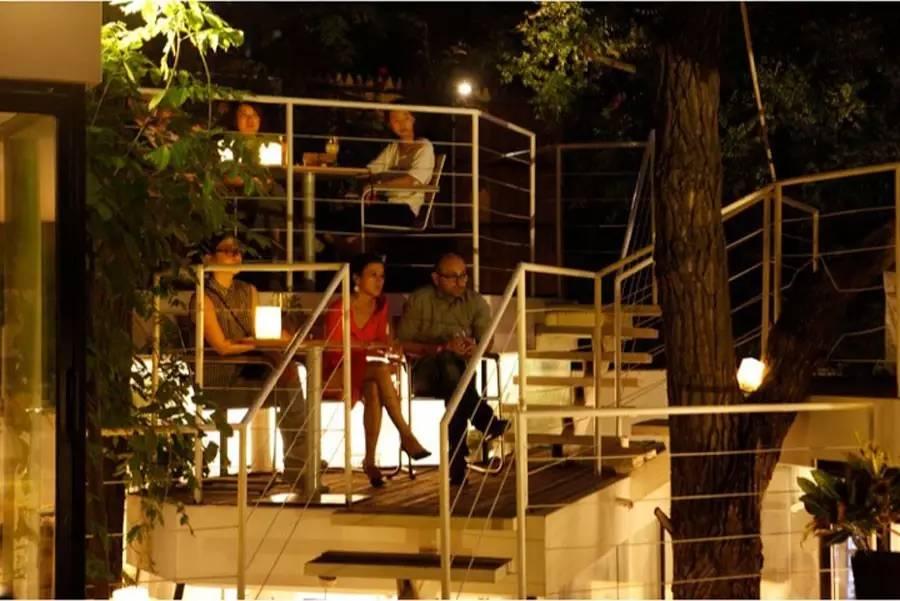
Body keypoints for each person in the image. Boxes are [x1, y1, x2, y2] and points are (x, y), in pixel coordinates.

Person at [189, 232, 307, 488]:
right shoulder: (203, 297)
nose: (236, 256)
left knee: (289, 375)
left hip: (251, 367)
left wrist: (273, 338)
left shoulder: (248, 291)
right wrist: (256, 343)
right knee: (288, 379)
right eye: (228, 251)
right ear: (208, 258)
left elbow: (258, 331)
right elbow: (221, 347)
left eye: (238, 251)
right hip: (219, 375)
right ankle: (300, 464)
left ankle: (301, 462)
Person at [396, 252, 508, 486]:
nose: (460, 282)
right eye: (453, 277)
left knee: (455, 379)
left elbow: (486, 341)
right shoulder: (420, 300)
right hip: (425, 371)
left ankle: (457, 463)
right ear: (436, 278)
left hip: (460, 372)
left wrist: (474, 347)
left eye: (463, 276)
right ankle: (484, 421)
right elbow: (403, 344)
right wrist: (441, 347)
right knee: (451, 367)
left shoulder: (475, 302)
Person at [322, 253, 431, 487]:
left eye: (382, 276)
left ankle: (370, 461)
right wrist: (367, 348)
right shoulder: (339, 308)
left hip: (365, 370)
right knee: (378, 372)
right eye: (373, 275)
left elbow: (381, 343)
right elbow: (333, 350)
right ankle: (406, 435)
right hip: (337, 370)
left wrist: (390, 349)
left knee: (373, 387)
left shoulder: (381, 306)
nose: (379, 281)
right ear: (356, 279)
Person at [361, 108, 436, 227]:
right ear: (390, 125)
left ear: (413, 119)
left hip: (405, 208)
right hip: (384, 204)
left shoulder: (424, 147)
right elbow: (372, 170)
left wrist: (377, 187)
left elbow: (412, 180)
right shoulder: (393, 148)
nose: (402, 124)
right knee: (346, 214)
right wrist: (370, 184)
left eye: (405, 118)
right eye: (396, 120)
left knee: (351, 217)